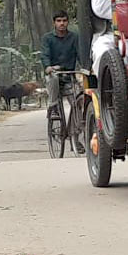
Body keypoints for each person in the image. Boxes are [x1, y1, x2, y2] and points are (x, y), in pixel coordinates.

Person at [40, 10, 84, 151]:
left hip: (69, 76)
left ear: (68, 22)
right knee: (52, 78)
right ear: (54, 23)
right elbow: (45, 55)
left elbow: (80, 56)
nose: (62, 23)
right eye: (59, 21)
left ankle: (74, 138)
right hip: (54, 76)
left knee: (78, 104)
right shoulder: (47, 38)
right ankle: (53, 107)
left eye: (64, 21)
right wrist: (48, 67)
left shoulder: (74, 37)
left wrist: (84, 68)